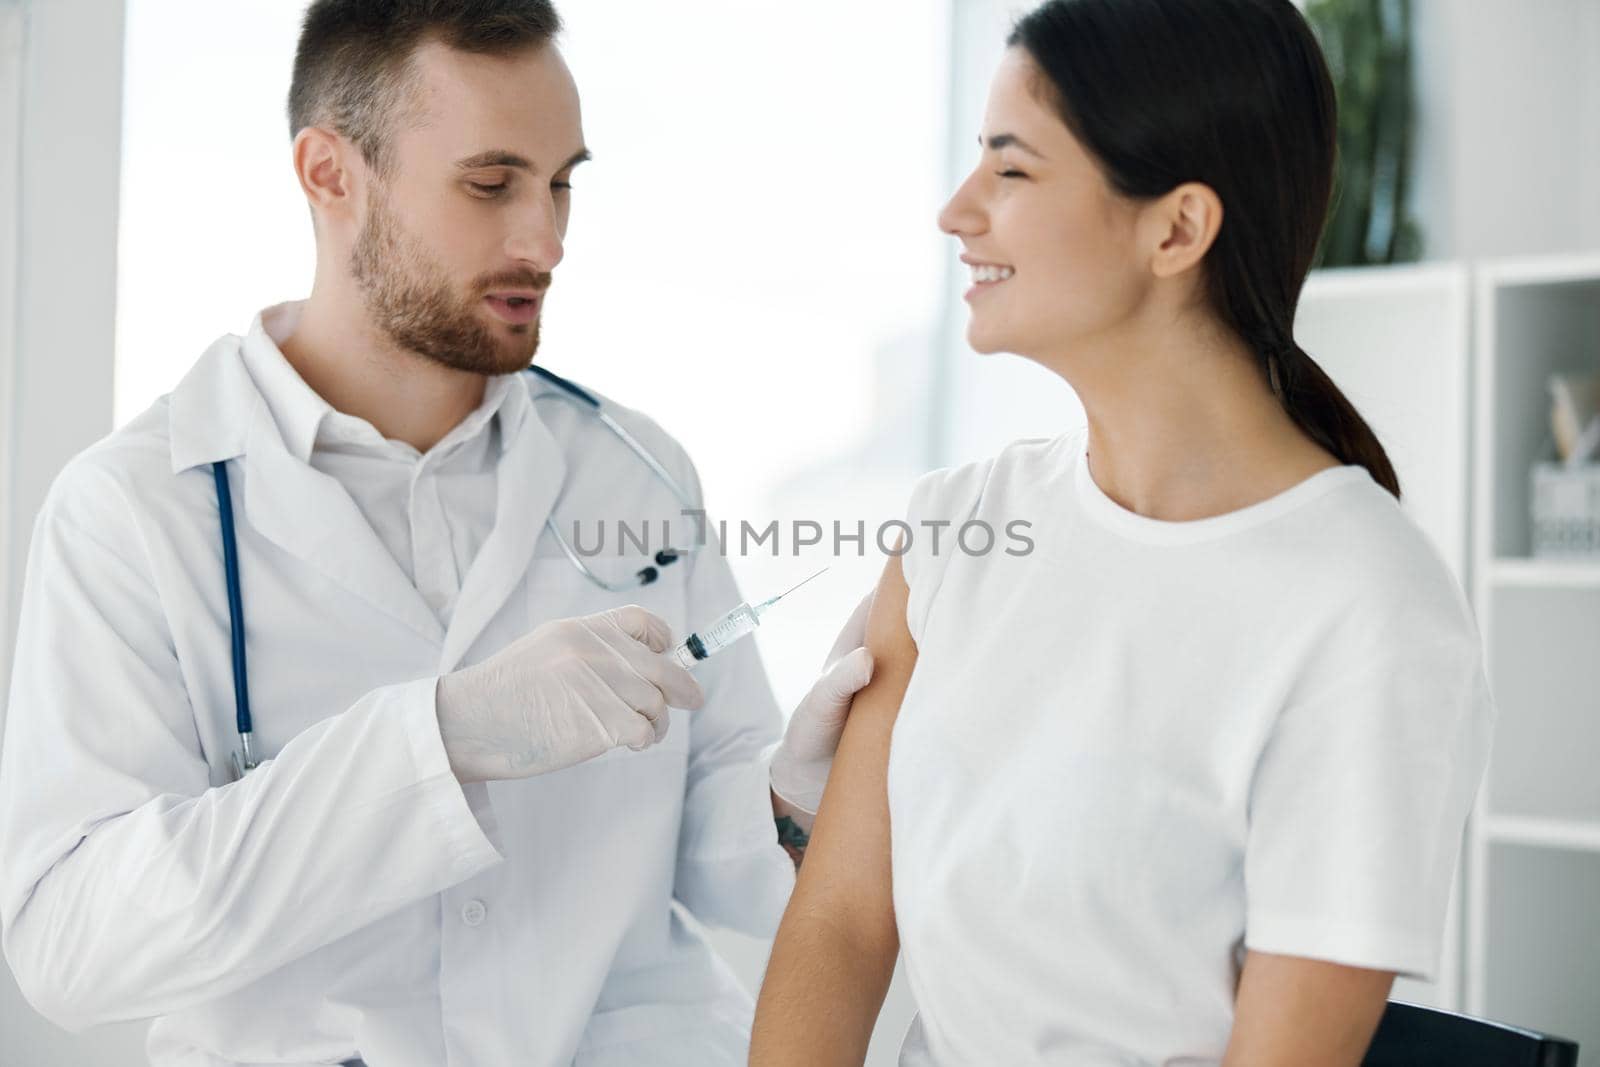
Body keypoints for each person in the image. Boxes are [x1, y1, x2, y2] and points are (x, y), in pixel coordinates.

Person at [0, 3, 872, 1064]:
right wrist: (439, 739)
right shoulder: (138, 509)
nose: (545, 240)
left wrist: (798, 794)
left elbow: (720, 853)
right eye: (490, 183)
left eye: (561, 182)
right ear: (330, 173)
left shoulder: (633, 468)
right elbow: (72, 945)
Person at [750, 1, 1495, 1064]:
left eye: (1010, 170)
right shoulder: (956, 528)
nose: (957, 211)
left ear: (1176, 228)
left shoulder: (1365, 609)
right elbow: (841, 925)